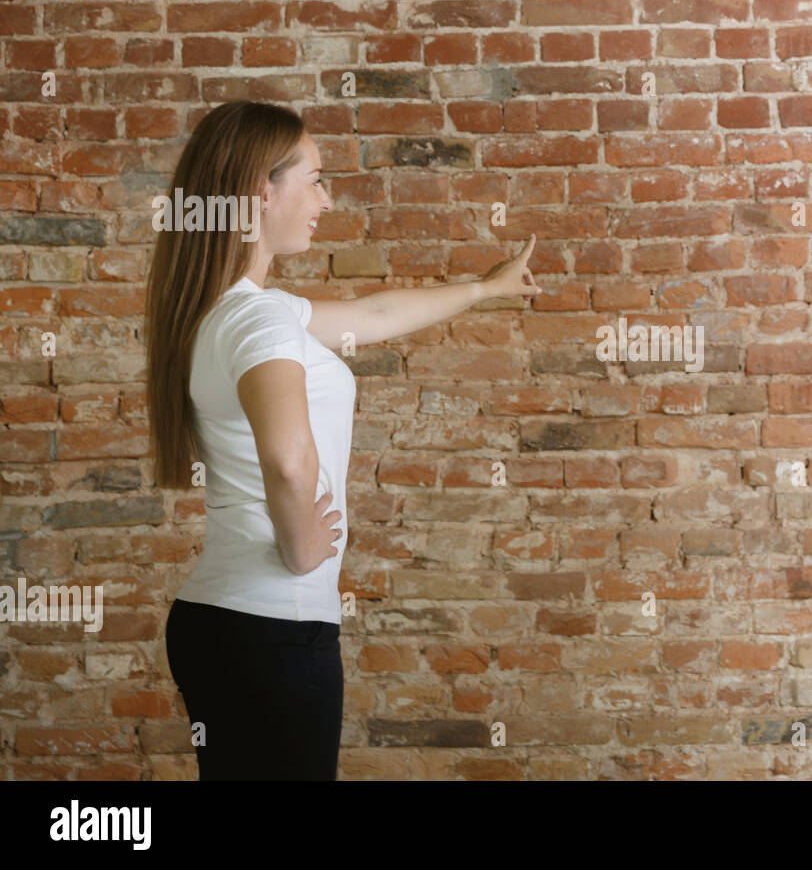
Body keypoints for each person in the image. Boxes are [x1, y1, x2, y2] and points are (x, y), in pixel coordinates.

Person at [146, 100, 542, 779]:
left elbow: (374, 314)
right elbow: (288, 458)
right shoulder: (262, 320)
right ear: (259, 192)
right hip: (275, 628)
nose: (326, 201)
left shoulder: (231, 313)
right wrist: (302, 543)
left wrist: (484, 288)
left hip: (221, 620)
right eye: (316, 179)